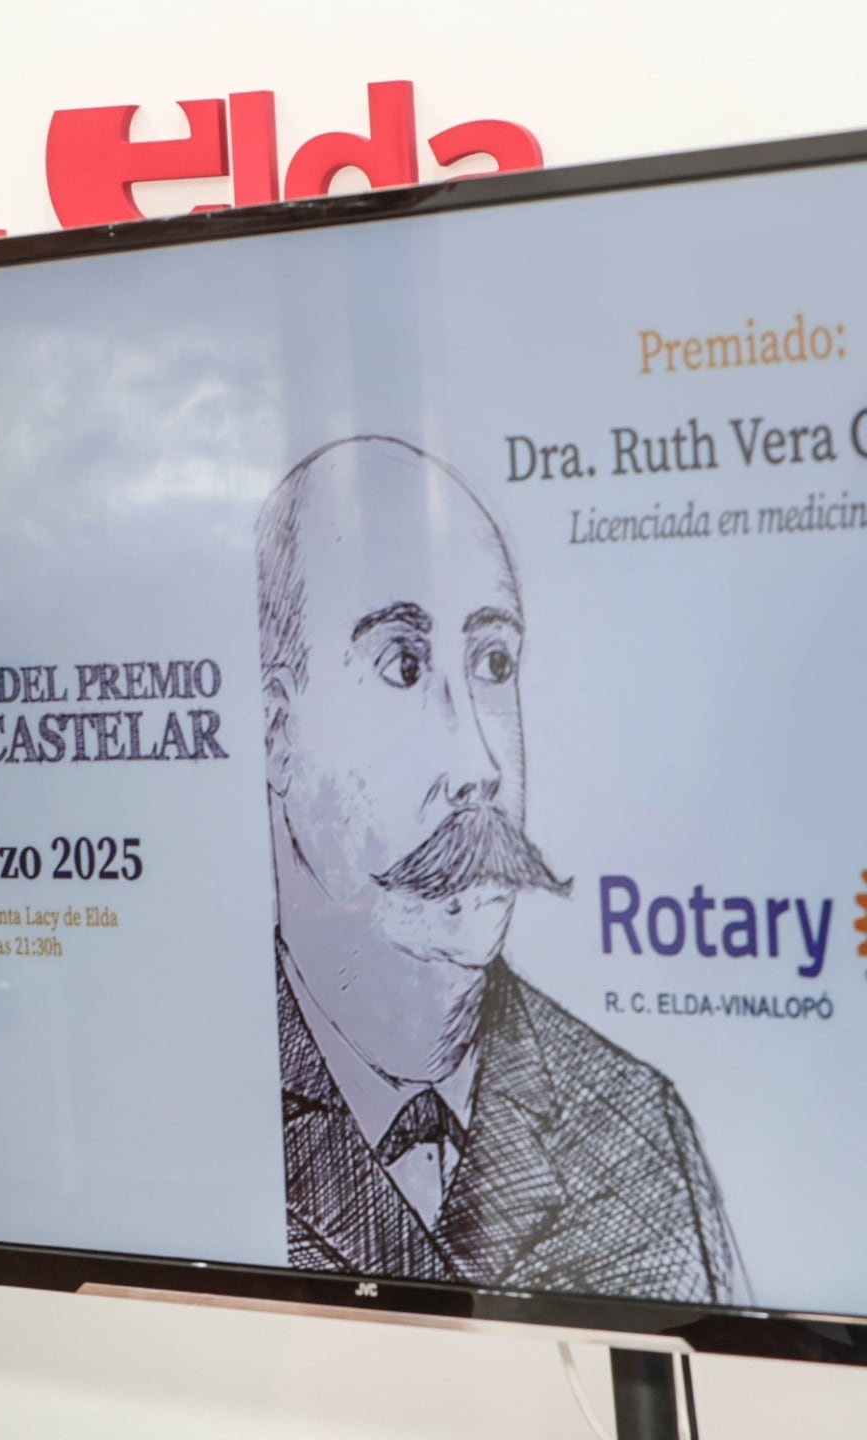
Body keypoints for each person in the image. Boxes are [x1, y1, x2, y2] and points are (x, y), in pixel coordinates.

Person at [255, 434, 742, 1302]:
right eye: (403, 666)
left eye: (492, 664)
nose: (478, 762)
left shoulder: (639, 1133)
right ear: (277, 734)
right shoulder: (191, 1102)